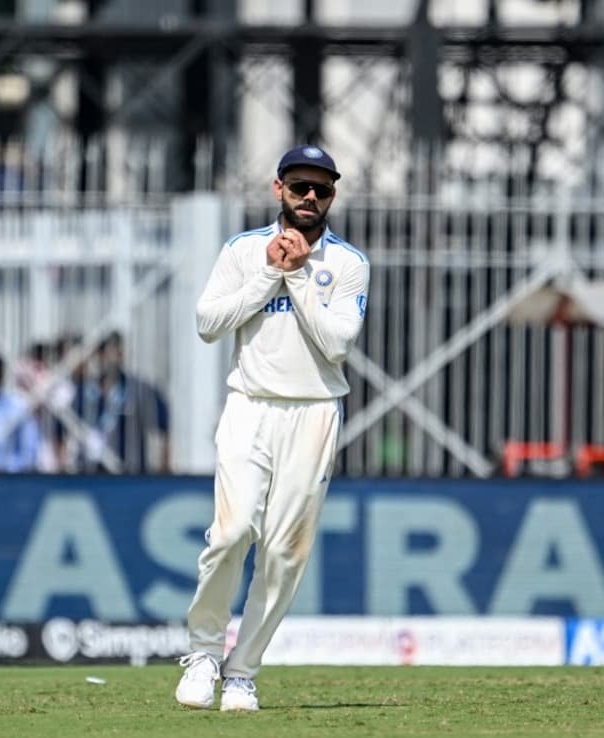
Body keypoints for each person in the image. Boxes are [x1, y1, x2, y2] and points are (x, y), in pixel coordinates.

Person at [174, 145, 370, 711]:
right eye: (299, 186)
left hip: (314, 411)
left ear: (332, 195)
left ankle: (242, 672)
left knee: (285, 552)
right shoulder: (242, 250)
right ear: (277, 188)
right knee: (232, 534)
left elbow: (337, 345)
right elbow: (208, 323)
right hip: (251, 405)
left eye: (322, 189)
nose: (310, 198)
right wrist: (269, 273)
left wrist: (301, 276)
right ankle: (205, 653)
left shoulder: (349, 263)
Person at [60, 331, 170, 474]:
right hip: (88, 473)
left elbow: (164, 429)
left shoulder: (138, 390)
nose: (108, 358)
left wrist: (164, 468)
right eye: (103, 352)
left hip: (129, 473)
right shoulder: (83, 392)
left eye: (115, 352)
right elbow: (65, 432)